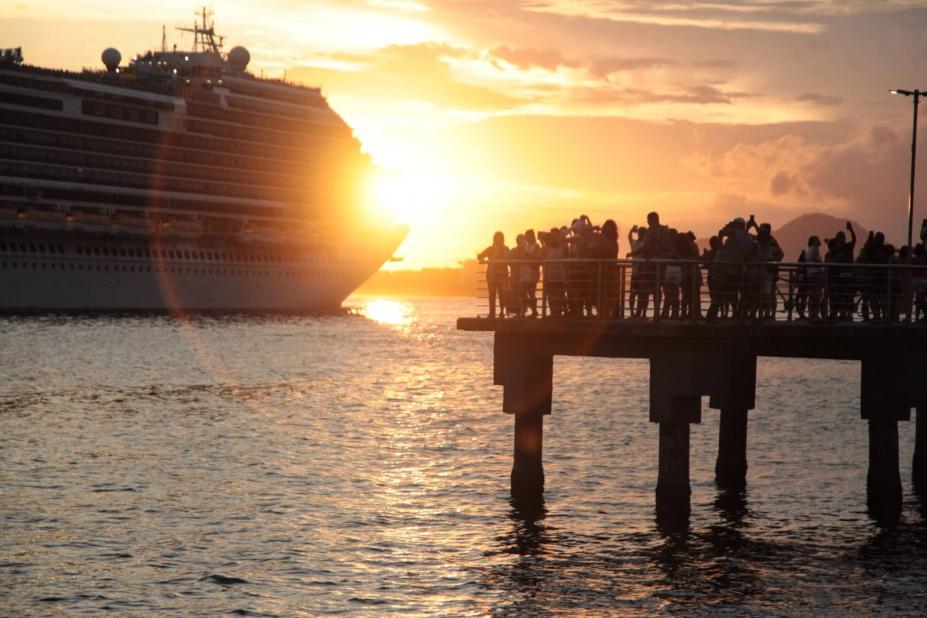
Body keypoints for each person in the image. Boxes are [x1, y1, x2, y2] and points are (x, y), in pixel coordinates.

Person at [477, 231, 509, 318]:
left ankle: (498, 312)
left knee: (499, 294)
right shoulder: (493, 249)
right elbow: (480, 256)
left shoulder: (503, 249)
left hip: (499, 274)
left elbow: (480, 256)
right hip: (493, 275)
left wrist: (481, 259)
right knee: (494, 294)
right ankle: (494, 312)